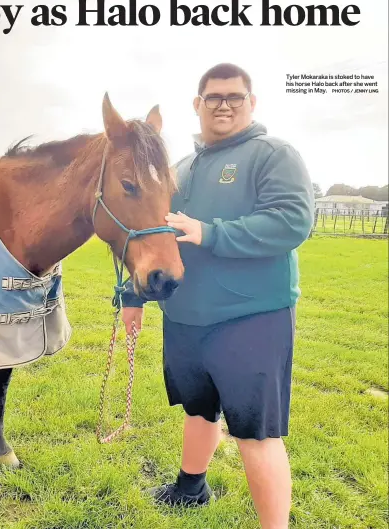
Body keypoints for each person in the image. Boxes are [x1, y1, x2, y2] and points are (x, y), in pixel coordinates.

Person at [122, 63, 314, 529]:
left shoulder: (272, 154)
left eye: (234, 97)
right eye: (213, 97)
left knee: (256, 431)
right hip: (186, 316)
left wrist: (210, 233)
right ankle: (191, 488)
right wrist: (132, 295)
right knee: (198, 408)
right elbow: (150, 233)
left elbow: (292, 222)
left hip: (250, 317)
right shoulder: (181, 168)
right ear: (198, 104)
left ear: (252, 102)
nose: (224, 105)